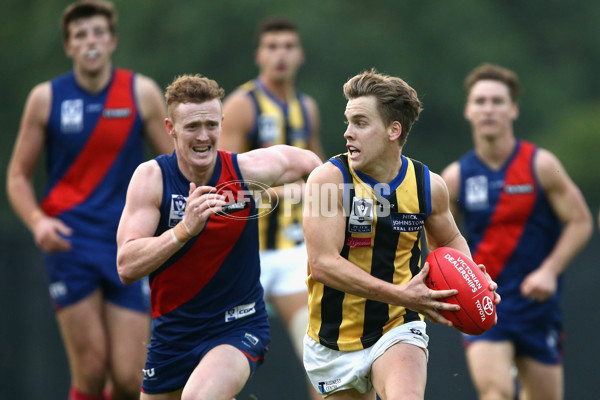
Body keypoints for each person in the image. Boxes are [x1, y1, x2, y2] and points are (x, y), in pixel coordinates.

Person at [115, 73, 322, 399]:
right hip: (172, 336)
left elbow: (313, 165)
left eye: (211, 125)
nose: (203, 136)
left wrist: (332, 226)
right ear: (170, 129)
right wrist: (184, 230)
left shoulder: (246, 170)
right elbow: (126, 266)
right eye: (192, 127)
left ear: (222, 123)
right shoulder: (152, 178)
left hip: (237, 326)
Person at [5, 1, 173, 399]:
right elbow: (16, 176)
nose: (90, 41)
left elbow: (174, 167)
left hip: (126, 244)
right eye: (81, 35)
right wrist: (37, 221)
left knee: (131, 378)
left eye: (98, 32)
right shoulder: (46, 99)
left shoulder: (141, 92)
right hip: (70, 244)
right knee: (93, 372)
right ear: (68, 46)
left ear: (112, 40)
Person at [301, 69, 500, 399]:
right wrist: (401, 294)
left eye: (361, 123)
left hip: (398, 326)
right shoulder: (329, 182)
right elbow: (323, 263)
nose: (348, 133)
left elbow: (449, 239)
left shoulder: (427, 186)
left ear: (393, 130)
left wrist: (472, 279)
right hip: (332, 339)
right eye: (348, 121)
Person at [441, 63, 593, 400]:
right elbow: (439, 242)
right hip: (486, 302)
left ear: (513, 109)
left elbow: (581, 221)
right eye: (480, 101)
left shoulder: (541, 165)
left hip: (537, 304)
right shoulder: (455, 177)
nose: (489, 109)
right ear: (468, 110)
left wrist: (550, 271)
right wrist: (450, 287)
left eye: (497, 101)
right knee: (496, 392)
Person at [219, 16, 324, 399]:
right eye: (273, 46)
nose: (281, 54)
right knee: (216, 360)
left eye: (288, 46)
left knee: (324, 358)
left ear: (301, 55)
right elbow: (222, 189)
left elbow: (320, 177)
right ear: (259, 54)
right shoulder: (242, 106)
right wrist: (283, 193)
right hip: (245, 255)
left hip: (294, 254)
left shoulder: (306, 108)